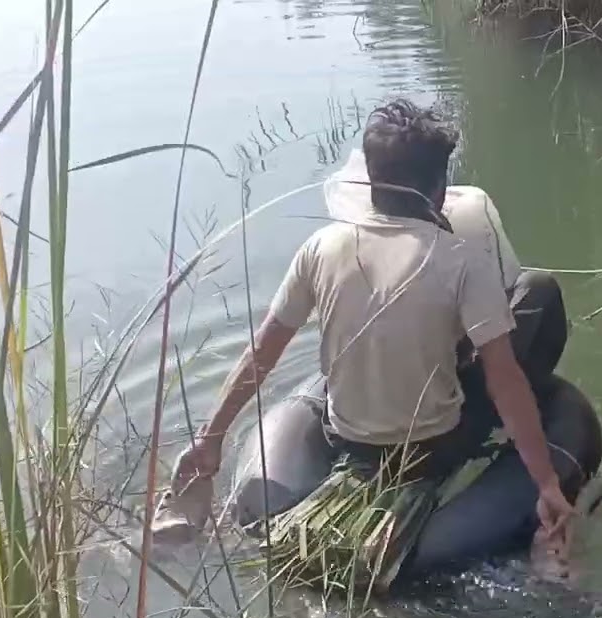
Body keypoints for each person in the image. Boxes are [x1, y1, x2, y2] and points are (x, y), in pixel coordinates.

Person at [152, 98, 577, 580]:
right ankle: (534, 533)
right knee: (538, 294)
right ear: (438, 189)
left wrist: (210, 440)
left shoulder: (320, 248)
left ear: (370, 181)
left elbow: (262, 354)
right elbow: (504, 378)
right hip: (431, 449)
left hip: (350, 441)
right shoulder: (462, 260)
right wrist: (546, 482)